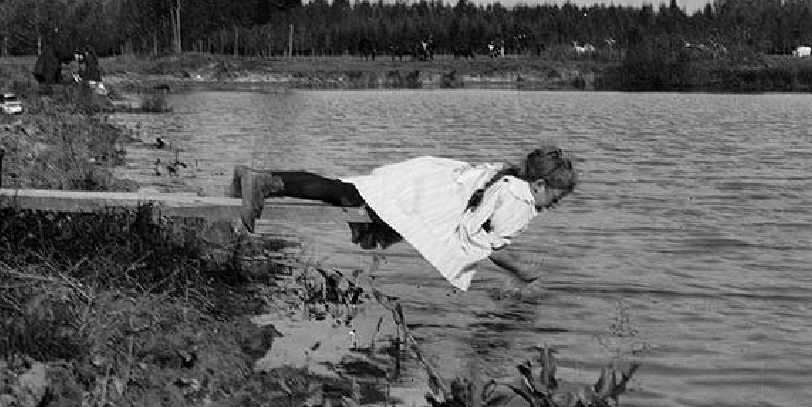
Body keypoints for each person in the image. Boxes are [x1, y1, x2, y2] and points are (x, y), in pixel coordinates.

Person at [231, 146, 578, 291]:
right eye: (556, 197)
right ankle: (263, 182)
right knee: (345, 197)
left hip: (420, 183)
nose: (553, 205)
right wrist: (519, 269)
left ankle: (261, 180)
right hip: (420, 196)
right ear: (539, 185)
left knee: (344, 193)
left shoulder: (506, 177)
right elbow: (484, 241)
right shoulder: (518, 200)